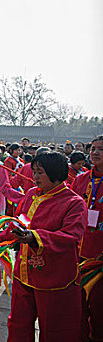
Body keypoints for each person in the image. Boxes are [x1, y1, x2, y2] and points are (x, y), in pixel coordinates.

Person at [0, 152, 87, 341]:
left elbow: (71, 237)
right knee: (18, 324)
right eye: (34, 172)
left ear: (56, 174)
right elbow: (20, 221)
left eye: (40, 173)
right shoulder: (31, 194)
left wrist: (34, 237)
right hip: (23, 272)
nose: (34, 177)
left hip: (53, 278)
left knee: (55, 328)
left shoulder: (74, 203)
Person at [71, 135, 103, 342]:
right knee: (77, 303)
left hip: (100, 256)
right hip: (77, 252)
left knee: (100, 306)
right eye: (93, 148)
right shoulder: (81, 179)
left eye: (101, 149)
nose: (95, 152)